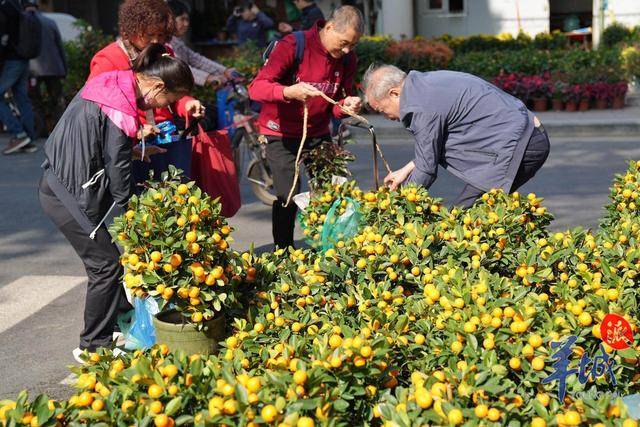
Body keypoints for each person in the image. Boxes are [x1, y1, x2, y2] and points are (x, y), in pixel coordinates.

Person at [39, 44, 196, 361]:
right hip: (68, 195)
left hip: (61, 184)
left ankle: (117, 324)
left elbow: (104, 141)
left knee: (107, 262)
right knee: (107, 266)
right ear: (157, 87)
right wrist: (134, 214)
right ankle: (92, 345)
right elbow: (117, 167)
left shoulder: (114, 86)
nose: (164, 106)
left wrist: (137, 148)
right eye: (170, 100)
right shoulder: (120, 103)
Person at [248, 5, 364, 248]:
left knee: (332, 192)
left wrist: (347, 105)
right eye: (344, 42)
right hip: (279, 131)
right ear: (330, 27)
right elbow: (257, 88)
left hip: (318, 132)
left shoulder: (347, 59)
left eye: (352, 45)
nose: (346, 50)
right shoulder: (294, 45)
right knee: (287, 195)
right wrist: (288, 91)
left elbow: (337, 103)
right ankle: (284, 253)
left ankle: (329, 247)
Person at [363, 65, 550, 207]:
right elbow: (432, 144)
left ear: (394, 93)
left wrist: (397, 206)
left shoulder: (420, 107)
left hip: (521, 144)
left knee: (463, 223)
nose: (386, 117)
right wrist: (406, 170)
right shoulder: (421, 86)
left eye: (382, 110)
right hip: (521, 135)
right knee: (471, 218)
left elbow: (426, 170)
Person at [89, 0, 204, 181]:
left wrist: (186, 103)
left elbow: (172, 91)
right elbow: (97, 110)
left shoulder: (164, 52)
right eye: (149, 35)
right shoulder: (109, 59)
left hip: (166, 138)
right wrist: (136, 131)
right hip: (132, 146)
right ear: (132, 29)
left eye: (161, 35)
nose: (156, 41)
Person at [0, 0, 39, 154]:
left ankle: (19, 134)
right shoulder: (16, 5)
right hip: (23, 59)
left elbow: (3, 37)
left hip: (12, 60)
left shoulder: (4, 7)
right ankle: (28, 140)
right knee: (22, 98)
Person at [167, 0, 235, 88]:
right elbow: (178, 69)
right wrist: (208, 78)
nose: (186, 24)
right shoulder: (165, 44)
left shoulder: (176, 41)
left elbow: (196, 59)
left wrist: (224, 70)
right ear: (170, 19)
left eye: (187, 19)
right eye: (182, 19)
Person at [28, 0, 67, 130]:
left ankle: (41, 130)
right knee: (56, 101)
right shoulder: (50, 22)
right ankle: (60, 130)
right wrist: (64, 69)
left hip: (33, 70)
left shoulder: (24, 22)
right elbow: (60, 47)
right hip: (54, 68)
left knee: (35, 101)